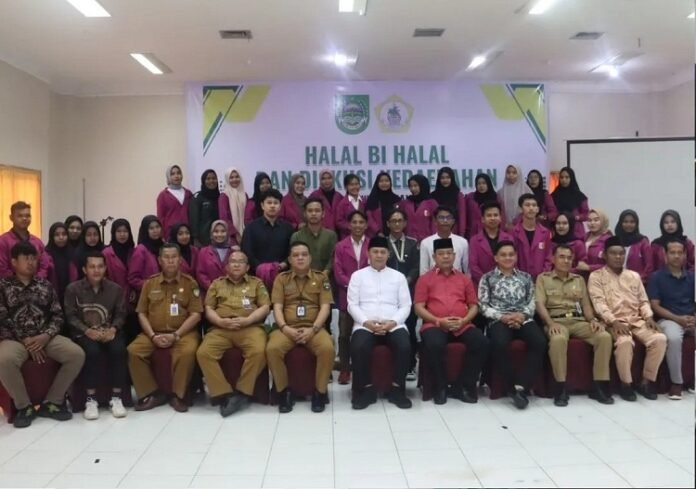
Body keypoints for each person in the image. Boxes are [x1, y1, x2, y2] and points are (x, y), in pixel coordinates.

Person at [0, 242, 85, 428]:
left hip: (45, 337)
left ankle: (52, 402)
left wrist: (46, 336)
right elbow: (3, 318)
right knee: (3, 360)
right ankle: (24, 407)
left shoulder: (45, 285)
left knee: (76, 354)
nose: (31, 262)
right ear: (14, 262)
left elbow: (57, 315)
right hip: (15, 339)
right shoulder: (3, 286)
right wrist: (25, 340)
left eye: (33, 258)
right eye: (26, 258)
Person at [588, 236, 667, 401]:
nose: (618, 257)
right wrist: (614, 322)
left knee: (659, 339)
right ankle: (626, 384)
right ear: (605, 255)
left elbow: (643, 301)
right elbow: (599, 304)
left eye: (621, 253)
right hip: (613, 322)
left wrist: (649, 317)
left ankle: (646, 382)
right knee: (624, 342)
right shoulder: (596, 277)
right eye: (613, 253)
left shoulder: (634, 276)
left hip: (637, 320)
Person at [127, 243, 203, 412]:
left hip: (183, 333)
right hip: (153, 333)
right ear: (159, 260)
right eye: (166, 257)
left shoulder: (190, 283)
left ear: (180, 260)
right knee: (134, 350)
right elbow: (141, 313)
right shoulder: (150, 283)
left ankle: (179, 395)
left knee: (187, 352)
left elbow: (196, 314)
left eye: (174, 257)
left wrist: (176, 335)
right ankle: (152, 393)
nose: (170, 261)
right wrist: (152, 335)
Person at [535, 245, 614, 407]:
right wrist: (550, 323)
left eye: (569, 258)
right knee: (558, 340)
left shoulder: (578, 280)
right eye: (562, 257)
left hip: (578, 321)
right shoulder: (543, 278)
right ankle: (560, 388)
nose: (566, 261)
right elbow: (539, 304)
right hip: (556, 321)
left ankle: (599, 386)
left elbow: (585, 305)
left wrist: (592, 320)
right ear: (553, 259)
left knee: (604, 337)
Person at [415, 238, 489, 404]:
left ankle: (463, 385)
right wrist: (438, 320)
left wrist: (464, 320)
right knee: (435, 344)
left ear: (454, 255)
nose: (446, 257)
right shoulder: (425, 279)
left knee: (482, 342)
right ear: (434, 256)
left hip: (462, 324)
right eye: (441, 254)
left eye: (449, 253)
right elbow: (419, 307)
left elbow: (474, 305)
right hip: (434, 324)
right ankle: (440, 387)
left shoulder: (464, 279)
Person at [197, 250, 270, 417]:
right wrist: (219, 321)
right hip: (221, 328)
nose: (236, 264)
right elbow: (208, 308)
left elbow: (265, 307)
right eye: (233, 261)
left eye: (240, 261)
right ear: (227, 266)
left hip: (250, 327)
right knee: (203, 353)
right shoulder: (217, 284)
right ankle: (224, 393)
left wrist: (248, 320)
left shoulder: (257, 283)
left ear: (247, 267)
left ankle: (242, 392)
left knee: (259, 351)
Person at [479, 240, 547, 410]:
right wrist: (502, 317)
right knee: (500, 343)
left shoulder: (526, 277)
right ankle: (510, 387)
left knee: (540, 342)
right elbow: (483, 305)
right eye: (503, 255)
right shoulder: (487, 278)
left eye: (511, 254)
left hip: (523, 317)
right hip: (498, 319)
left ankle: (522, 386)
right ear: (496, 258)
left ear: (516, 256)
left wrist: (521, 315)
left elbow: (532, 301)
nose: (508, 258)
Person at [267, 241, 334, 413]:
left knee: (327, 348)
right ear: (289, 259)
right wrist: (284, 328)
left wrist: (314, 329)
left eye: (304, 254)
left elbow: (325, 308)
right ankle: (284, 392)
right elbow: (277, 307)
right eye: (296, 255)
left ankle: (320, 392)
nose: (300, 258)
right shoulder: (281, 279)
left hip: (314, 328)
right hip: (287, 328)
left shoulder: (321, 278)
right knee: (272, 349)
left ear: (310, 258)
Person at [348, 237, 413, 410]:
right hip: (365, 324)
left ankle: (397, 390)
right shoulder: (357, 276)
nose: (379, 255)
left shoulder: (398, 277)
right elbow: (352, 305)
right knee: (358, 346)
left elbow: (406, 305)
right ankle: (365, 391)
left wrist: (393, 322)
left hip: (393, 323)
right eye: (375, 252)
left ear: (388, 254)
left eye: (382, 252)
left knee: (404, 345)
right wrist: (366, 322)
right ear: (368, 253)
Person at [64, 251, 128, 420]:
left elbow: (121, 314)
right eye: (92, 267)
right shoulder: (73, 289)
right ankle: (91, 400)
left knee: (119, 350)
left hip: (109, 331)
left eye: (100, 266)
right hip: (84, 332)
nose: (96, 270)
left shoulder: (115, 289)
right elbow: (70, 316)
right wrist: (87, 331)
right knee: (91, 352)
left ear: (105, 268)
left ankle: (117, 397)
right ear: (84, 269)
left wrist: (113, 329)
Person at [648, 238, 695, 400]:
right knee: (674, 338)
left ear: (685, 255)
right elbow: (655, 306)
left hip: (690, 318)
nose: (676, 256)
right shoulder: (656, 277)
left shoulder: (692, 277)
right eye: (672, 252)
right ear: (665, 255)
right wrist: (677, 318)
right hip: (668, 319)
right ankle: (677, 383)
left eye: (680, 253)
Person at [333, 210, 369, 384]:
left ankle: (364, 367)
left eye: (361, 222)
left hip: (368, 296)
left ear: (366, 225)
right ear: (348, 225)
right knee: (344, 334)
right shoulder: (341, 246)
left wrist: (364, 288)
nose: (357, 225)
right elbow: (338, 272)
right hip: (346, 296)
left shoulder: (372, 245)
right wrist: (354, 286)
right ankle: (345, 369)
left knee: (365, 332)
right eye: (354, 222)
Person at [385, 209, 420, 379]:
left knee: (410, 328)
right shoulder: (383, 244)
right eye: (393, 221)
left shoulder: (413, 243)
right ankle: (391, 364)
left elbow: (416, 266)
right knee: (390, 328)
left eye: (400, 220)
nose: (397, 224)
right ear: (388, 224)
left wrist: (408, 279)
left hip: (408, 291)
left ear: (405, 223)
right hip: (387, 293)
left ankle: (410, 365)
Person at [240, 189, 294, 289]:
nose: (272, 206)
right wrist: (260, 267)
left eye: (276, 203)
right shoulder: (251, 227)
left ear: (280, 206)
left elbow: (292, 250)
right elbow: (246, 251)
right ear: (262, 205)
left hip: (283, 276)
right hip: (256, 277)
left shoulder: (288, 228)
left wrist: (284, 264)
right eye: (269, 203)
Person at [103, 219, 138, 343]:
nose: (122, 234)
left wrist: (134, 290)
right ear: (113, 233)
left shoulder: (134, 251)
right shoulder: (107, 253)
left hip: (132, 300)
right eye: (119, 231)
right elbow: (104, 278)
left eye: (125, 231)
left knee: (133, 335)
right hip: (113, 300)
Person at [0, 201, 49, 279]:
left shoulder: (37, 242)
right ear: (11, 217)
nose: (24, 218)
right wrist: (20, 282)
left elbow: (44, 266)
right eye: (20, 216)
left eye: (27, 215)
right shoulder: (3, 241)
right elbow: (2, 268)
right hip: (9, 284)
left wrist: (35, 281)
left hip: (36, 284)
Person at [468, 201, 513, 286]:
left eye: (495, 215)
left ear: (500, 218)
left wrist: (503, 281)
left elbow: (513, 261)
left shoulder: (509, 238)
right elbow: (473, 266)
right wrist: (487, 281)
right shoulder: (474, 240)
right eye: (489, 215)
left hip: (506, 284)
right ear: (483, 219)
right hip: (482, 285)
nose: (492, 218)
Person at [290, 198, 337, 277]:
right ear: (304, 214)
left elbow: (333, 259)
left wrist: (325, 273)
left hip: (326, 278)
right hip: (303, 278)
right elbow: (294, 260)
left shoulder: (331, 235)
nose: (313, 213)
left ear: (323, 213)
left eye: (317, 210)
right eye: (310, 211)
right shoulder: (297, 236)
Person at [511, 194, 553, 281]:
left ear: (537, 209)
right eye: (527, 205)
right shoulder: (513, 232)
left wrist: (543, 276)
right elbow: (512, 256)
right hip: (519, 279)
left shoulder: (545, 233)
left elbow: (548, 257)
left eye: (534, 205)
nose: (531, 208)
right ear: (520, 209)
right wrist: (518, 276)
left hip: (541, 280)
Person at [420, 206, 468, 275]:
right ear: (435, 221)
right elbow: (423, 271)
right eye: (441, 217)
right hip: (433, 280)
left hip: (457, 280)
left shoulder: (462, 242)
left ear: (453, 221)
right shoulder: (426, 243)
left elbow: (467, 270)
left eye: (448, 217)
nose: (445, 221)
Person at [127, 215, 163, 295]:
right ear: (146, 230)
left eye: (157, 227)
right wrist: (151, 285)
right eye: (151, 228)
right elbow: (133, 279)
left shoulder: (165, 246)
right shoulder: (140, 250)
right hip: (149, 295)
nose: (155, 230)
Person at [615, 209, 653, 284]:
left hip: (637, 284)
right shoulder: (615, 241)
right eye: (625, 222)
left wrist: (639, 280)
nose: (629, 224)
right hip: (617, 283)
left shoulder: (642, 241)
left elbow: (649, 265)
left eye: (632, 222)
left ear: (636, 223)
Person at [551, 166, 589, 240]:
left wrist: (575, 217)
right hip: (558, 230)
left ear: (571, 178)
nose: (564, 180)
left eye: (567, 177)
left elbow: (586, 214)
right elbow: (551, 211)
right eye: (561, 177)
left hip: (575, 232)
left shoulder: (579, 196)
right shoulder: (554, 195)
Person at [196, 220, 233, 293]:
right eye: (216, 231)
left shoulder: (233, 252)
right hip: (210, 293)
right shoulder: (203, 252)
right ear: (211, 234)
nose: (219, 234)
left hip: (231, 293)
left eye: (223, 231)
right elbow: (200, 273)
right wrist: (213, 288)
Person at [156, 164, 193, 237]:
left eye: (178, 173)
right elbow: (160, 218)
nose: (176, 176)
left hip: (187, 233)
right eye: (172, 174)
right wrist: (162, 235)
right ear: (168, 177)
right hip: (170, 233)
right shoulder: (163, 195)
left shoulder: (188, 193)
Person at [45, 222, 76, 305]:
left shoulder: (73, 253)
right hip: (51, 297)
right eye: (57, 235)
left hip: (71, 297)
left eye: (64, 234)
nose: (61, 237)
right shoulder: (46, 254)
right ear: (51, 237)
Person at [464, 173, 503, 239]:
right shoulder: (470, 198)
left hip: (491, 231)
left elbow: (501, 217)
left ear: (488, 184)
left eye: (484, 183)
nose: (481, 186)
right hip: (473, 233)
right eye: (479, 183)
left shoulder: (495, 198)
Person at [400, 174, 437, 242]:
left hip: (427, 241)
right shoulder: (405, 203)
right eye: (411, 186)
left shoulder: (432, 203)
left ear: (422, 186)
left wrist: (433, 240)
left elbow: (435, 224)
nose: (413, 189)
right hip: (408, 242)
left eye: (415, 186)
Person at [188, 169, 220, 247]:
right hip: (203, 240)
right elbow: (193, 219)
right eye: (208, 179)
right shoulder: (198, 197)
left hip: (219, 237)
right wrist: (195, 238)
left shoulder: (220, 197)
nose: (211, 181)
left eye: (214, 178)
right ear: (203, 181)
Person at [431, 167, 466, 236]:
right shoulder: (433, 196)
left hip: (454, 232)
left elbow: (462, 216)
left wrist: (462, 233)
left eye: (448, 177)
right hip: (437, 232)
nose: (445, 180)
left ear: (452, 179)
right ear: (439, 179)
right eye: (442, 178)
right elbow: (432, 217)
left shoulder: (458, 195)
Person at [365, 171, 401, 237]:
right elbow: (369, 218)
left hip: (394, 235)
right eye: (381, 181)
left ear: (390, 183)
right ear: (377, 183)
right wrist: (377, 232)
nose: (384, 183)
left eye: (387, 181)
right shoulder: (372, 199)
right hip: (376, 235)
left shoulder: (397, 199)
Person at [218, 167, 246, 245]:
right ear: (227, 179)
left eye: (237, 177)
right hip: (231, 236)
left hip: (246, 234)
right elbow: (224, 218)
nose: (234, 179)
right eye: (231, 177)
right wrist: (235, 234)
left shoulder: (244, 195)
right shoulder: (224, 196)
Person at [498, 164, 532, 229]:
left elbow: (530, 210)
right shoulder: (500, 192)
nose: (511, 175)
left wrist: (516, 223)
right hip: (505, 227)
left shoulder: (527, 191)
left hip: (523, 226)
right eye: (508, 172)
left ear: (519, 174)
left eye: (514, 173)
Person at [579, 209, 612, 274]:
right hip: (581, 276)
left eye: (596, 220)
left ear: (603, 221)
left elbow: (612, 265)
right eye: (589, 220)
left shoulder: (609, 240)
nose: (592, 223)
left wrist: (589, 267)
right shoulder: (583, 237)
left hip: (601, 277)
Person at [335, 173, 366, 239]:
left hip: (363, 237)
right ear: (346, 187)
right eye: (351, 185)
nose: (354, 187)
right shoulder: (342, 204)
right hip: (347, 238)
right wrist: (352, 227)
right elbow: (339, 222)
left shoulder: (364, 202)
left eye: (356, 184)